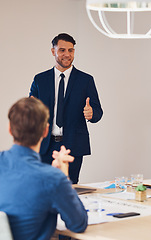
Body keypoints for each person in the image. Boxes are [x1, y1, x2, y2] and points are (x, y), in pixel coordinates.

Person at [0, 97, 88, 240]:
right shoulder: (52, 178)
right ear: (46, 131)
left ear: (9, 129)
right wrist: (63, 174)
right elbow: (78, 224)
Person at [29, 33, 103, 184]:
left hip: (73, 145)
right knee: (43, 186)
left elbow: (97, 112)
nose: (67, 54)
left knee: (69, 187)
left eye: (71, 50)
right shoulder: (40, 79)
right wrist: (30, 110)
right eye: (62, 50)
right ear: (53, 51)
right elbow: (30, 109)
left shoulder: (86, 80)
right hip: (45, 144)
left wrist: (91, 113)